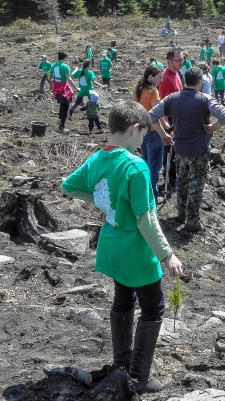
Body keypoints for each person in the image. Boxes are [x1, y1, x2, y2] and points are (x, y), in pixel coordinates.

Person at [61, 101, 183, 394]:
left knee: (123, 299)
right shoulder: (135, 166)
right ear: (133, 129)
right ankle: (140, 377)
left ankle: (121, 363)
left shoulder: (98, 159)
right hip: (137, 253)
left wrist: (106, 202)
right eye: (143, 134)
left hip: (112, 246)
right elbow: (145, 220)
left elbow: (69, 186)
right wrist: (167, 255)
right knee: (153, 308)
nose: (143, 140)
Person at [150, 68, 225, 232]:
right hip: (199, 151)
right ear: (200, 83)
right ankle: (192, 221)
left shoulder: (172, 98)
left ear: (184, 80)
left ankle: (181, 215)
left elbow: (152, 115)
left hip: (180, 149)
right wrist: (212, 127)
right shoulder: (205, 99)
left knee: (182, 182)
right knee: (196, 186)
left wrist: (163, 135)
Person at [133, 65, 166, 200]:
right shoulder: (153, 91)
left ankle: (141, 190)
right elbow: (157, 112)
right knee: (154, 165)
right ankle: (151, 194)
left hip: (142, 130)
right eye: (159, 77)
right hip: (153, 131)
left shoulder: (138, 88)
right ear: (150, 77)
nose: (161, 80)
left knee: (145, 161)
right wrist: (165, 128)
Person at [158, 50, 185, 191]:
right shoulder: (166, 78)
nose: (181, 63)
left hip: (177, 118)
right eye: (178, 60)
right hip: (169, 121)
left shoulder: (177, 74)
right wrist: (167, 126)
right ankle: (169, 179)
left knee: (175, 150)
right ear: (169, 61)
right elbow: (162, 104)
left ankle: (174, 177)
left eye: (182, 60)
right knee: (169, 151)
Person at [49, 50, 77, 134]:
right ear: (65, 57)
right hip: (64, 89)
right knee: (66, 107)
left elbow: (49, 78)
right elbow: (69, 79)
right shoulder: (65, 67)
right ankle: (62, 127)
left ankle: (59, 119)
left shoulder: (53, 66)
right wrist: (76, 88)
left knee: (62, 104)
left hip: (56, 88)